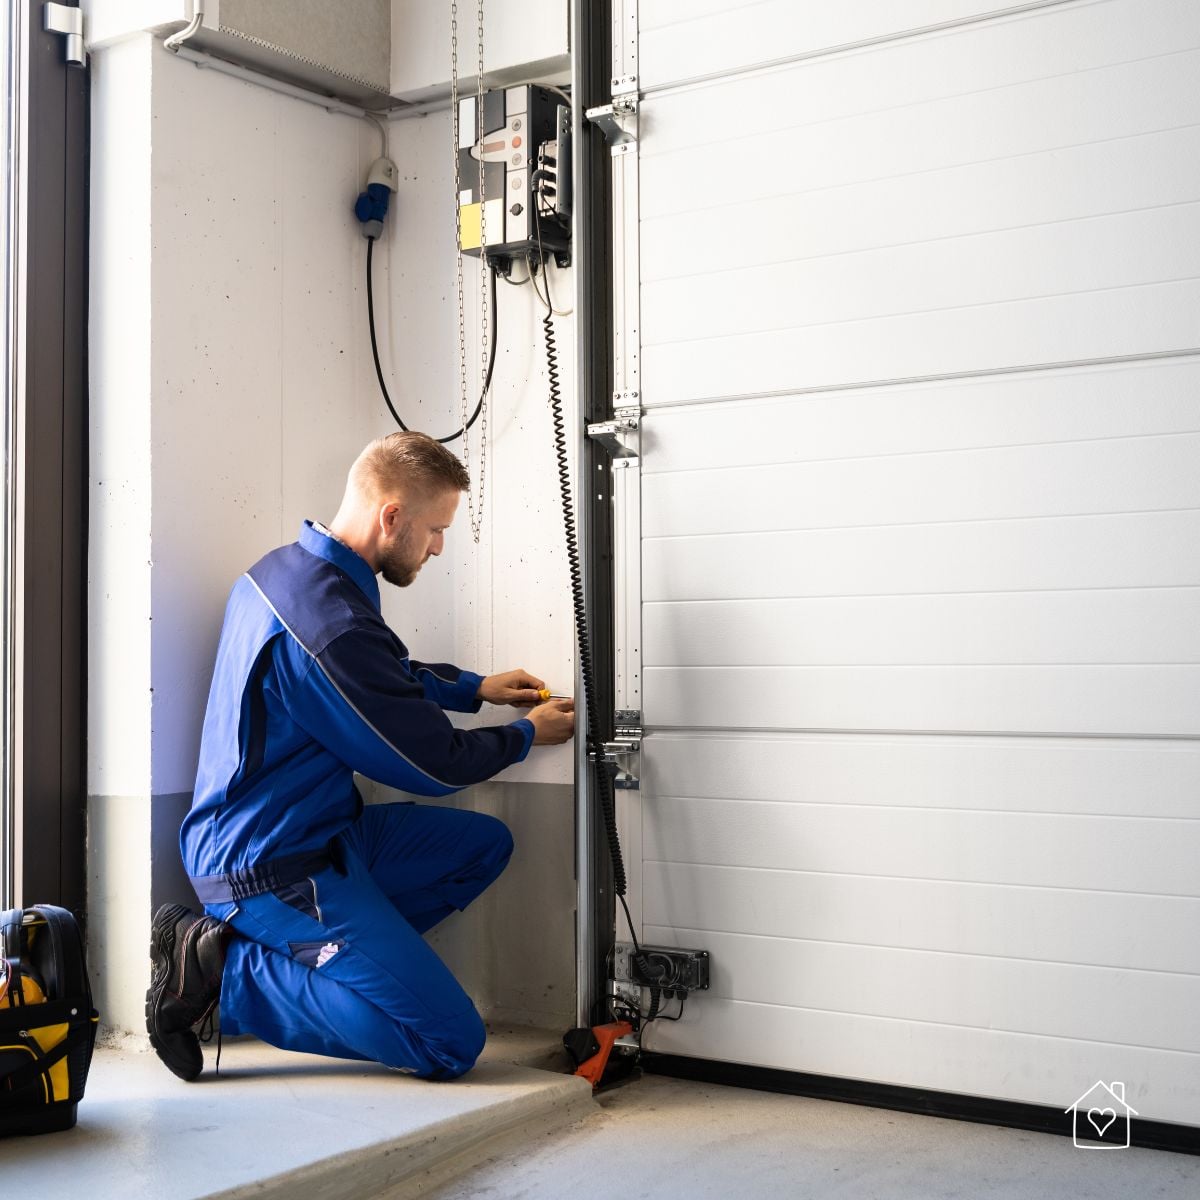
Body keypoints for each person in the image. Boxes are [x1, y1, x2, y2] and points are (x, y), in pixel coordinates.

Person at [145, 431, 575, 1082]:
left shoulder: (287, 573)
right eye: (434, 529)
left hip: (324, 835)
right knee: (449, 1042)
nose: (437, 547)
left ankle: (345, 967)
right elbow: (433, 765)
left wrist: (473, 688)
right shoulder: (328, 624)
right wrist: (523, 736)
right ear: (392, 516)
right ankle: (224, 977)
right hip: (269, 867)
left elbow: (377, 675)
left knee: (482, 847)